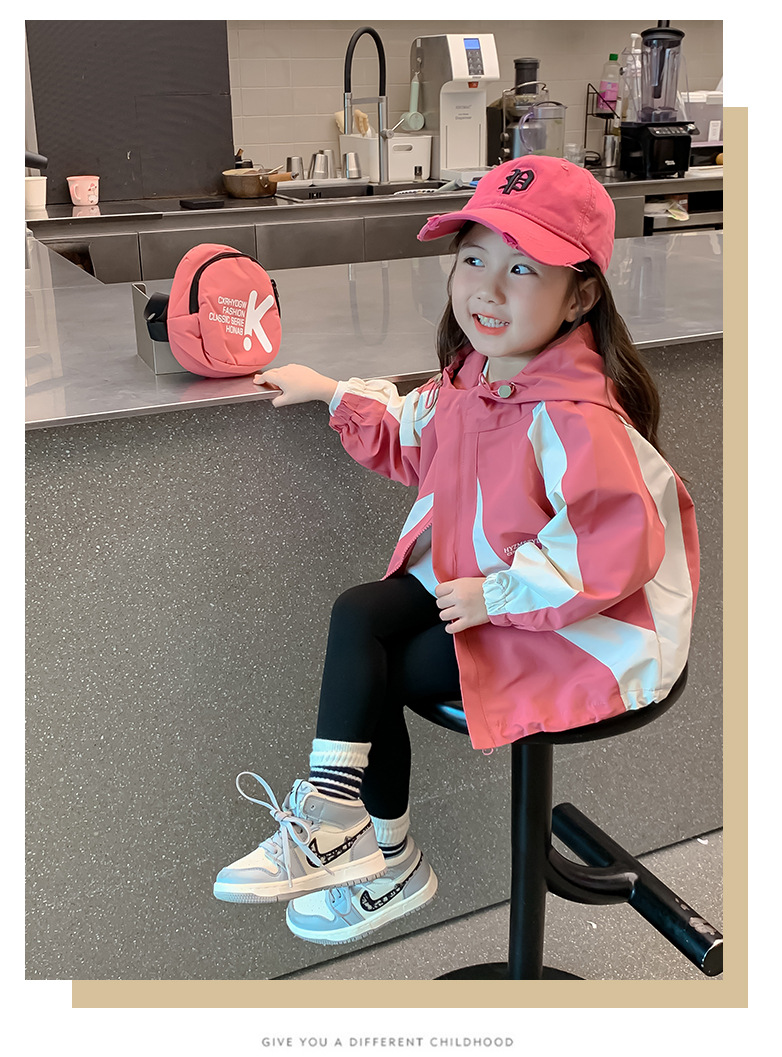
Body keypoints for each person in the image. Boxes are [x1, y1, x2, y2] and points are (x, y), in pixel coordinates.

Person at [212, 155, 699, 948]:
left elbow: (611, 547)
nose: (487, 289)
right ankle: (340, 818)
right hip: (481, 582)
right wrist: (331, 391)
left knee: (389, 667)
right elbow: (414, 431)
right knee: (360, 612)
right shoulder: (475, 376)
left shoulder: (574, 416)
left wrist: (493, 595)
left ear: (580, 296)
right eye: (473, 259)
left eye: (522, 269)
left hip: (579, 619)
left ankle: (387, 858)